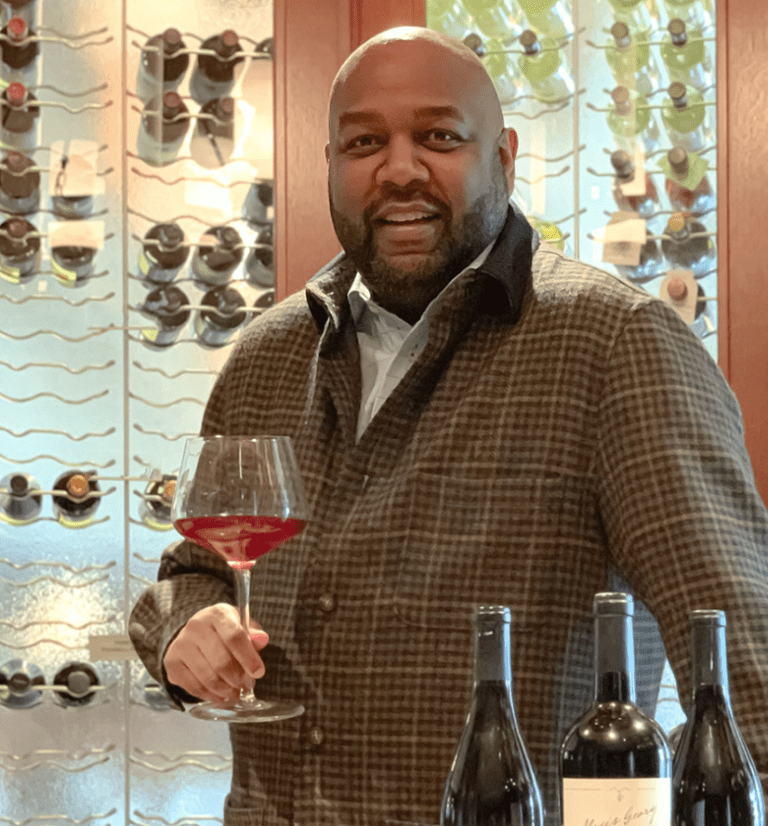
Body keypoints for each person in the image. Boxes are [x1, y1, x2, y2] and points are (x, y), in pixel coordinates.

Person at [129, 25, 768, 826]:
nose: (398, 169)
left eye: (438, 136)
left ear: (503, 156)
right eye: (364, 142)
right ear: (329, 164)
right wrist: (183, 628)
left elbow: (748, 659)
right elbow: (192, 571)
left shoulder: (616, 346)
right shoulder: (266, 355)